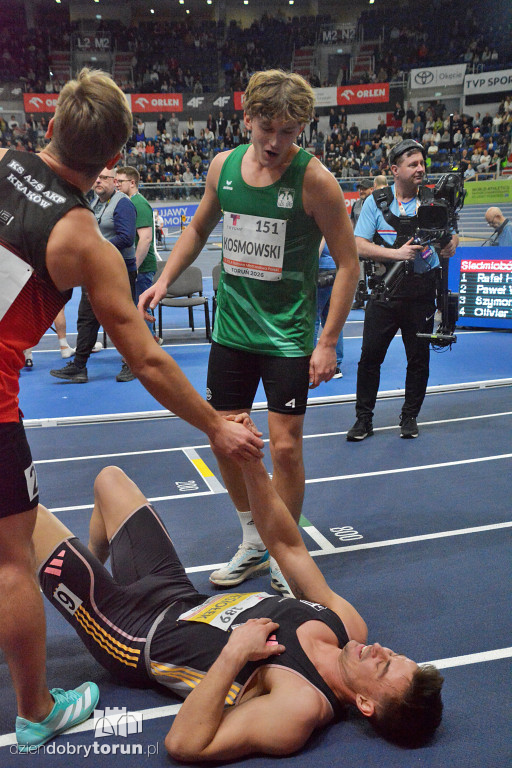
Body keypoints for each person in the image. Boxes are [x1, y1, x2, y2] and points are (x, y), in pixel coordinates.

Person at [0, 67, 263, 751]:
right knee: (9, 563)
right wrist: (216, 424)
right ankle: (35, 712)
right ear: (114, 159)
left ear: (49, 124)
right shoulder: (83, 237)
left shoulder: (2, 162)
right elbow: (145, 359)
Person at [32, 450, 444, 760]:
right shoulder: (348, 626)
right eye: (395, 655)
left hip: (133, 635)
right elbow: (289, 547)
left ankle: (72, 592)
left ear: (367, 705)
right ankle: (85, 578)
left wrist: (235, 653)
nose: (381, 651)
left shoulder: (299, 706)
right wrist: (251, 465)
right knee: (110, 481)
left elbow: (184, 743)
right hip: (176, 593)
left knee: (24, 516)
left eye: (385, 667)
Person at [139, 70, 359, 596]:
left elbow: (349, 264)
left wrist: (326, 340)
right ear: (246, 119)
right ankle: (253, 538)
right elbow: (196, 227)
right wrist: (165, 279)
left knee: (284, 449)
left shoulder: (315, 181)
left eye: (290, 132)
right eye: (267, 129)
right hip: (232, 332)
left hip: (286, 336)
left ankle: (285, 551)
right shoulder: (224, 166)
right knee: (227, 439)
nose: (277, 142)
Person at [347, 139, 458, 442]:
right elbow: (358, 244)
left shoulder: (436, 201)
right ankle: (363, 420)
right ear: (395, 170)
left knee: (419, 359)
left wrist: (450, 245)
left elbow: (452, 242)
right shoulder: (376, 202)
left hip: (422, 294)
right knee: (369, 357)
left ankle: (409, 417)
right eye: (413, 164)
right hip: (384, 292)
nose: (420, 168)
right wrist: (397, 254)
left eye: (422, 163)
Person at [49, 166, 138, 383]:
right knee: (86, 319)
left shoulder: (123, 204)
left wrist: (95, 248)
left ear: (114, 182)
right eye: (96, 177)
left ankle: (132, 364)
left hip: (120, 271)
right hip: (95, 271)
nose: (98, 181)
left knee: (121, 319)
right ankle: (79, 367)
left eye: (104, 178)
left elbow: (127, 238)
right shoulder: (95, 203)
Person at [115, 165, 159, 337]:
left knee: (140, 311)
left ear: (132, 182)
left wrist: (134, 267)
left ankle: (148, 349)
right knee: (138, 310)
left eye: (120, 181)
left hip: (142, 269)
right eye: (116, 181)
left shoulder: (138, 204)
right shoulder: (130, 202)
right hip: (138, 268)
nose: (117, 184)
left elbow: (146, 238)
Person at [315, 238, 343, 378]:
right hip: (334, 269)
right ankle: (336, 366)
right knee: (332, 317)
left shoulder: (320, 222)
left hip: (321, 270)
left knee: (313, 317)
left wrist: (311, 263)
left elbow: (320, 243)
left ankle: (308, 363)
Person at [350, 178, 374, 309]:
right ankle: (359, 299)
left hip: (373, 243)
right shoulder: (356, 204)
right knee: (359, 272)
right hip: (358, 243)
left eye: (364, 188)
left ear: (371, 189)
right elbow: (352, 222)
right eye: (360, 188)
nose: (361, 191)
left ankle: (374, 300)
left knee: (375, 272)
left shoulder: (375, 203)